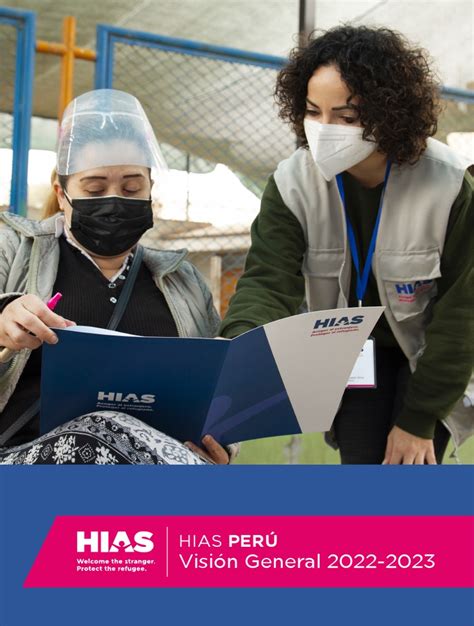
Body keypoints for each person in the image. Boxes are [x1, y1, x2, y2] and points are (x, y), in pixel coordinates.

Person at [219, 25, 473, 465]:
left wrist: (419, 420)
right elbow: (267, 283)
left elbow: (462, 312)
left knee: (410, 470)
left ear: (390, 114)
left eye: (347, 117)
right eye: (313, 111)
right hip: (351, 352)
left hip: (428, 353)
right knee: (362, 462)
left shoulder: (449, 183)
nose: (324, 129)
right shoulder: (292, 183)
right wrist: (236, 352)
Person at [0, 89, 234, 465]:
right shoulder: (13, 250)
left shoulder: (184, 280)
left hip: (158, 471)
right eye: (94, 189)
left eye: (131, 188)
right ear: (62, 194)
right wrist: (4, 316)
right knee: (99, 430)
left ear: (150, 190)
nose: (114, 200)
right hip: (28, 463)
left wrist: (221, 443)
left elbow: (215, 391)